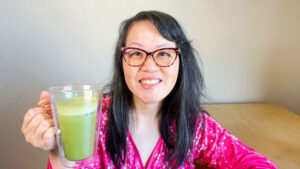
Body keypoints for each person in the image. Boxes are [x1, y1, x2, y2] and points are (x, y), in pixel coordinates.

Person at [21, 11, 277, 169]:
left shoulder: (195, 127)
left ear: (181, 61)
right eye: (136, 53)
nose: (149, 66)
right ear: (122, 62)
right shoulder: (93, 119)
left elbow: (255, 163)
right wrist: (58, 148)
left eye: (164, 53)